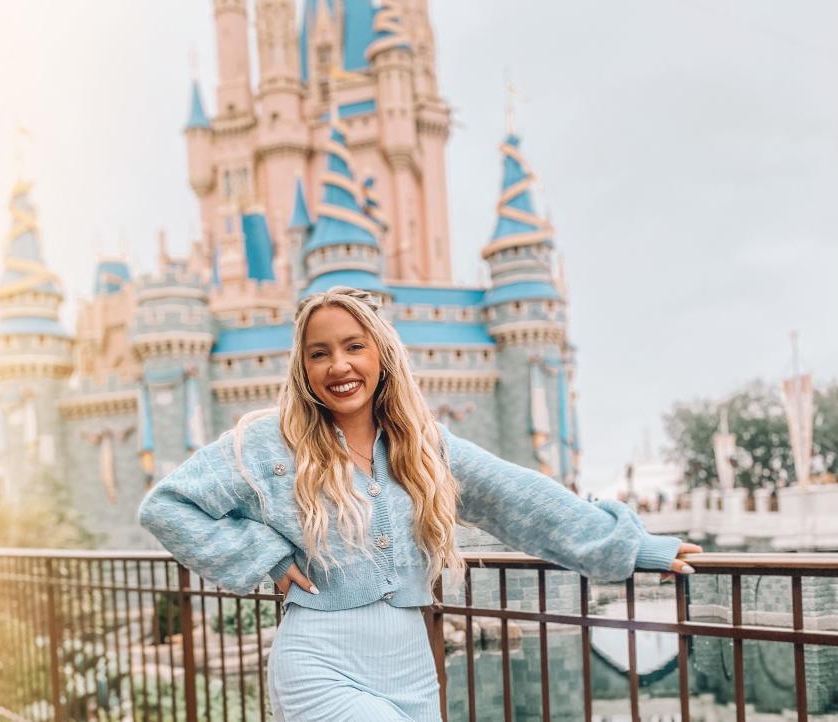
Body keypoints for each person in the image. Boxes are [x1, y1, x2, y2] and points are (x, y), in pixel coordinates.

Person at [138, 286, 701, 722]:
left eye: (354, 347)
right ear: (302, 368)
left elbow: (520, 500)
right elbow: (168, 505)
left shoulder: (424, 445)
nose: (339, 366)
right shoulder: (268, 443)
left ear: (381, 354)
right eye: (320, 353)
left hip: (412, 668)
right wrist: (265, 558)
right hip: (320, 661)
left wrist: (631, 548)